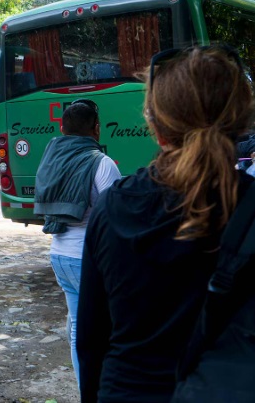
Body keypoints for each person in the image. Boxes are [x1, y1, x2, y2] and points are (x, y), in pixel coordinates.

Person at [77, 46, 254, 402]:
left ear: (156, 128)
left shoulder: (113, 206)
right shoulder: (247, 207)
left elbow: (91, 339)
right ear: (243, 122)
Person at [34, 99, 122, 386]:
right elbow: (117, 215)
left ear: (62, 128)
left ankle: (86, 390)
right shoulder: (102, 163)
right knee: (105, 332)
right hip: (89, 260)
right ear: (97, 129)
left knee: (77, 330)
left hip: (59, 255)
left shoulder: (52, 157)